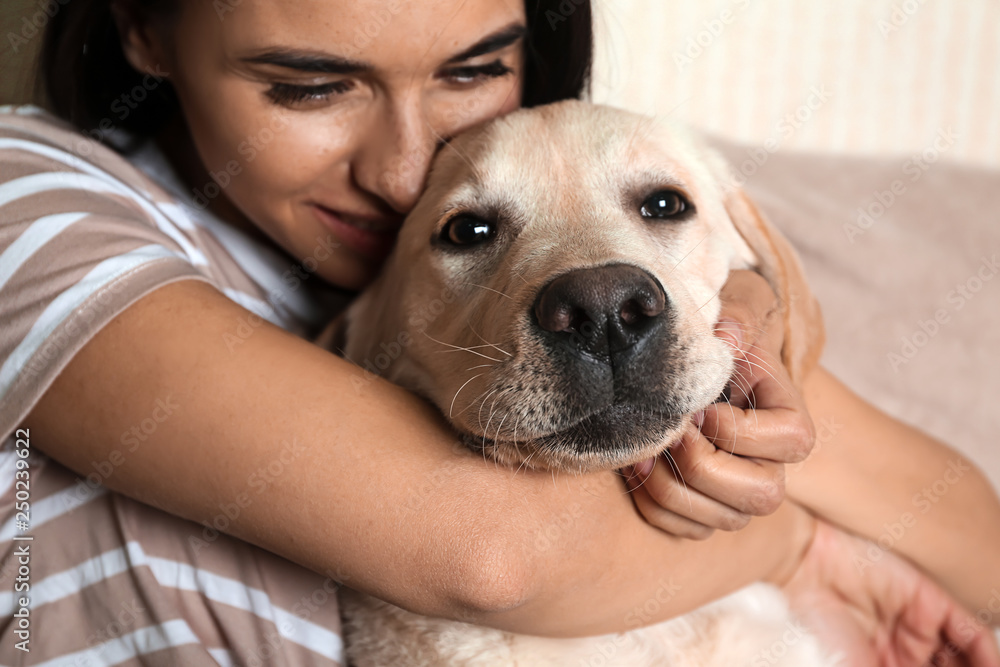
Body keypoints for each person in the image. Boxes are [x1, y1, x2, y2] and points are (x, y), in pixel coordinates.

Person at [0, 0, 998, 664]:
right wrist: (789, 549)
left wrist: (724, 309)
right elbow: (490, 555)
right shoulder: (28, 196)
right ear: (141, 25)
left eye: (472, 70)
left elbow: (963, 535)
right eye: (308, 86)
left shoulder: (588, 232)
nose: (401, 172)